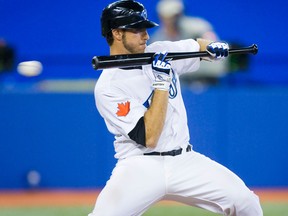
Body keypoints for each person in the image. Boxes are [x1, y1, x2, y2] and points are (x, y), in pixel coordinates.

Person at [89, 1, 263, 215]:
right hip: (139, 166)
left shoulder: (161, 51)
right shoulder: (108, 87)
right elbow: (150, 137)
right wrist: (161, 82)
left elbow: (199, 45)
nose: (146, 35)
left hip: (184, 160)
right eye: (137, 29)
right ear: (116, 33)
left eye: (145, 29)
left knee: (245, 201)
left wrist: (213, 47)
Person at [150, 0, 229, 85]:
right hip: (179, 83)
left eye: (175, 16)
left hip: (209, 80)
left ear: (181, 14)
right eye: (167, 17)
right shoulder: (156, 39)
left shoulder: (198, 27)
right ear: (160, 16)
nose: (171, 20)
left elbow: (213, 44)